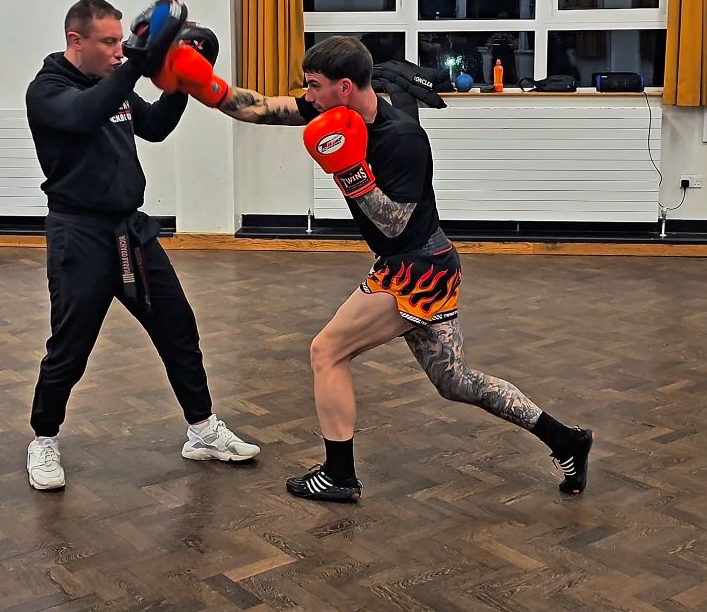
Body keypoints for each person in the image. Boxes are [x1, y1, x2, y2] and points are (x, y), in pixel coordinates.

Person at [153, 33, 593, 503]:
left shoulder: (401, 137)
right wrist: (197, 82)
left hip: (418, 268)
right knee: (455, 381)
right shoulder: (331, 112)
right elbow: (256, 108)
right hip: (422, 264)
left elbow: (394, 221)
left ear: (344, 87)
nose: (307, 96)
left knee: (327, 352)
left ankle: (339, 475)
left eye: (314, 85)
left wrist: (348, 168)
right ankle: (566, 439)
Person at [24, 0, 259, 491]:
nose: (117, 50)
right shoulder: (48, 90)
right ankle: (43, 438)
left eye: (120, 41)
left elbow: (153, 128)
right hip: (79, 235)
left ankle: (201, 430)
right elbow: (85, 115)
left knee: (179, 327)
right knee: (70, 348)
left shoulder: (118, 84)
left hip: (132, 231)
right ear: (76, 41)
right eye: (108, 42)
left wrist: (182, 81)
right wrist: (136, 61)